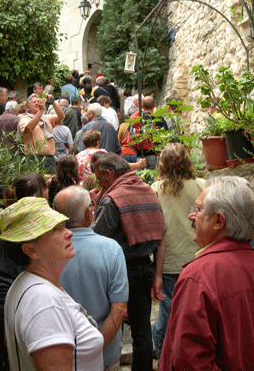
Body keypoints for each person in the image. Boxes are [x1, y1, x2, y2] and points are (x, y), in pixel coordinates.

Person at [0, 196, 104, 371]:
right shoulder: (44, 302)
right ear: (31, 250)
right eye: (56, 229)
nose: (69, 233)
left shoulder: (25, 284)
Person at [159, 176, 254, 371]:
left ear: (218, 220)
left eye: (198, 209)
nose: (191, 216)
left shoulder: (199, 277)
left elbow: (190, 362)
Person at [91, 153, 166, 371]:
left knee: (111, 328)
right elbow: (161, 235)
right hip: (144, 268)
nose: (99, 184)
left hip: (117, 272)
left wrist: (95, 205)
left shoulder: (113, 199)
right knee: (142, 331)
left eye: (99, 178)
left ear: (108, 173)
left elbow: (96, 237)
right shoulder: (148, 191)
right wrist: (158, 275)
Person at [0, 172, 49, 371]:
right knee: (12, 355)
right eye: (46, 188)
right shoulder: (34, 230)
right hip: (8, 300)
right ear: (39, 196)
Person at [55, 186, 128, 370]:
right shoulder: (111, 249)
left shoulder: (47, 252)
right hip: (105, 355)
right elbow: (119, 310)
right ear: (89, 213)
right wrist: (94, 348)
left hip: (61, 354)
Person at [151, 143, 206, 365]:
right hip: (198, 257)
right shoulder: (202, 185)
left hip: (169, 260)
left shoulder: (155, 188)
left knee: (168, 314)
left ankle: (166, 360)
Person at [18, 93, 65, 174]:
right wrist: (41, 111)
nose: (37, 103)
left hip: (48, 159)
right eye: (34, 102)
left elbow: (61, 117)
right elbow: (28, 128)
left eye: (38, 101)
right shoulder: (24, 118)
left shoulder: (46, 118)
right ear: (28, 107)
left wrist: (53, 102)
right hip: (32, 158)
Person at [129, 95, 168, 169]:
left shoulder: (136, 119)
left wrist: (138, 152)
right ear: (154, 105)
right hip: (155, 156)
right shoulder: (159, 119)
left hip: (140, 158)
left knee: (141, 179)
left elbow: (129, 141)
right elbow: (165, 140)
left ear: (142, 106)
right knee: (155, 179)